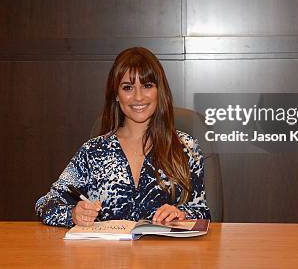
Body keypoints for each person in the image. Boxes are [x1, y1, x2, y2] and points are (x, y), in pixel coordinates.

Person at [35, 47, 210, 227]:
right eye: (128, 87)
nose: (138, 97)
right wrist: (72, 214)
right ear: (116, 95)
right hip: (107, 254)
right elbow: (46, 204)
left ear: (160, 91)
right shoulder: (93, 151)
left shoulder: (185, 147)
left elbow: (202, 211)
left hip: (164, 254)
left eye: (147, 85)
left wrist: (181, 213)